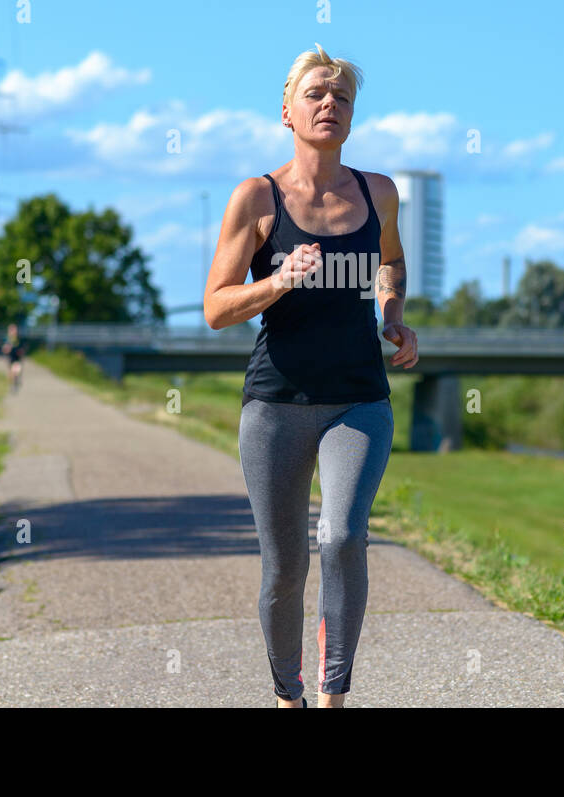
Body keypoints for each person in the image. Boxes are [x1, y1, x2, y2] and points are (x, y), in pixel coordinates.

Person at [204, 43, 418, 709]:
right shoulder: (257, 198)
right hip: (276, 403)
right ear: (288, 112)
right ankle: (286, 694)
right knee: (285, 567)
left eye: (343, 97)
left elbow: (391, 262)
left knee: (344, 535)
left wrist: (393, 314)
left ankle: (333, 696)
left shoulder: (377, 190)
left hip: (359, 398)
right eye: (317, 94)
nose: (331, 104)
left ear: (352, 117)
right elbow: (216, 306)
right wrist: (277, 280)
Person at [1, 323, 25, 392]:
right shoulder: (7, 339)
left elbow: (22, 348)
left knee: (16, 371)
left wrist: (21, 352)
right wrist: (7, 349)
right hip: (10, 358)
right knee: (11, 373)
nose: (13, 331)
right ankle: (12, 384)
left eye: (14, 329)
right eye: (11, 330)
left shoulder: (19, 338)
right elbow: (4, 349)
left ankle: (15, 382)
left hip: (17, 358)